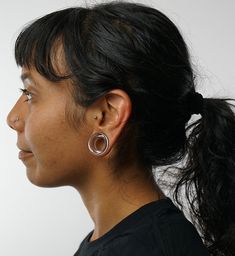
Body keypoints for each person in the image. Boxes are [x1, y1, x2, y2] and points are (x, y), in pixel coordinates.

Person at [7, 1, 235, 256]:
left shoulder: (146, 249)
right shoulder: (125, 240)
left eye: (30, 93)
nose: (13, 118)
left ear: (107, 115)